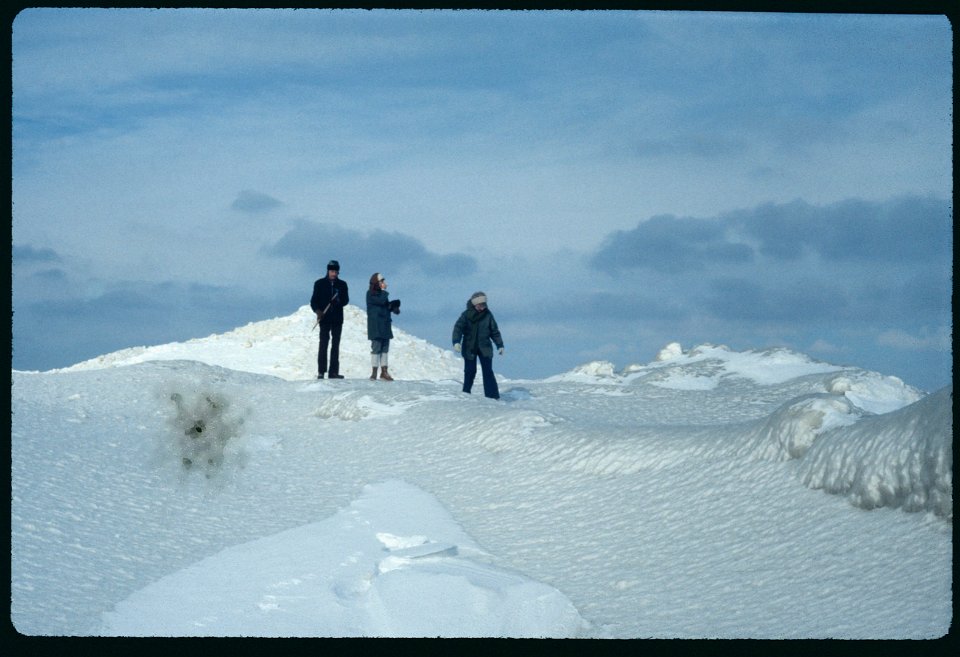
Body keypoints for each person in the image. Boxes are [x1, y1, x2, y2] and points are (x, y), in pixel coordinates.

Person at [452, 291, 504, 400]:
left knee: (488, 372)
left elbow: (494, 331)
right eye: (480, 305)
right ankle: (466, 393)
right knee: (470, 371)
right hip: (469, 347)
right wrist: (456, 341)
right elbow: (458, 328)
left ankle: (492, 397)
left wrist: (499, 345)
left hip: (485, 348)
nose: (482, 307)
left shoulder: (488, 315)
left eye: (484, 305)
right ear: (475, 304)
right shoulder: (466, 315)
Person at [310, 260, 349, 379]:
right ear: (328, 271)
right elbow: (313, 301)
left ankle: (333, 372)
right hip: (324, 318)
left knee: (335, 345)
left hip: (337, 319)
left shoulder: (342, 285)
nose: (334, 274)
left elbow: (346, 300)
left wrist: (338, 301)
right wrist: (318, 311)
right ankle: (321, 371)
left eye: (336, 272)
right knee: (323, 344)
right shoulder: (319, 284)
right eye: (332, 271)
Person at [366, 272, 400, 381]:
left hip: (384, 325)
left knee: (385, 348)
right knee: (376, 348)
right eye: (382, 281)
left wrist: (392, 307)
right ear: (377, 283)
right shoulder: (370, 294)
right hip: (376, 326)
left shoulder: (381, 295)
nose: (384, 283)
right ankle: (374, 372)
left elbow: (384, 306)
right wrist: (385, 292)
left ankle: (384, 371)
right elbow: (380, 301)